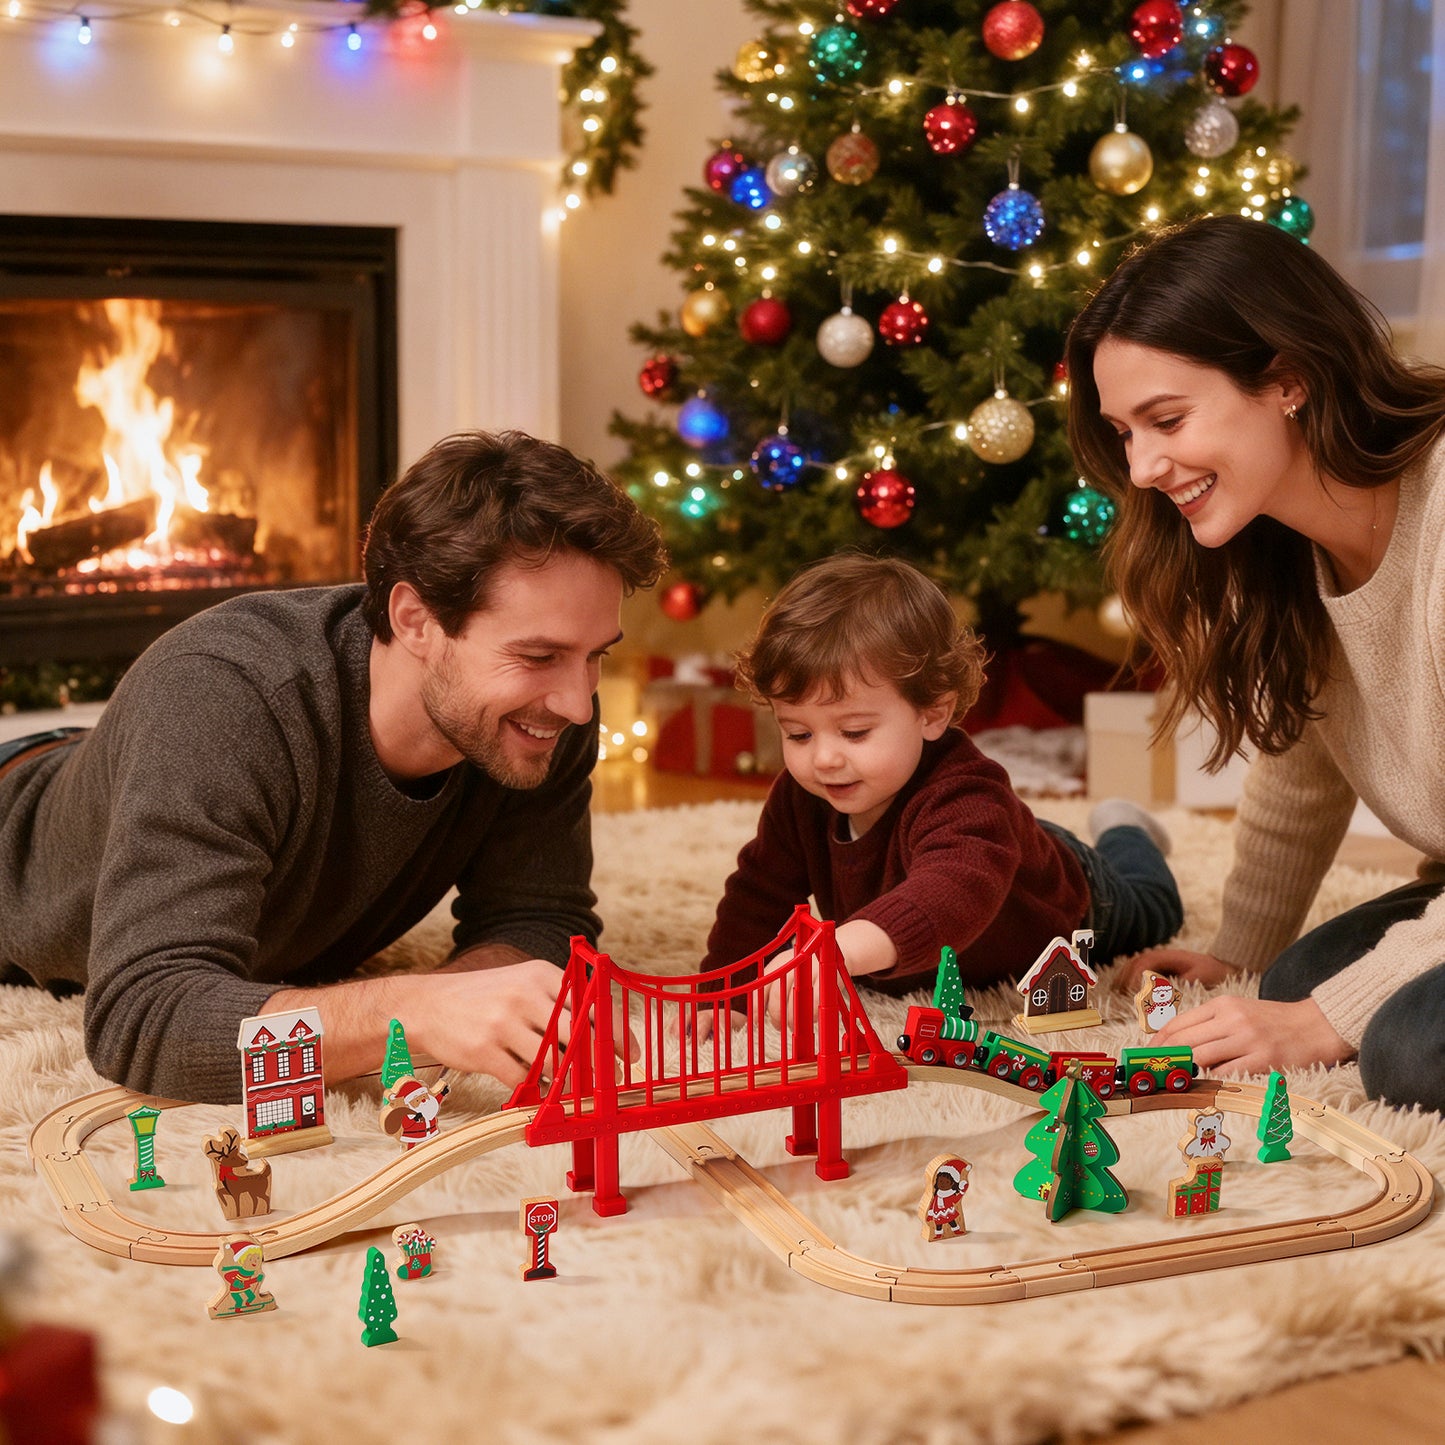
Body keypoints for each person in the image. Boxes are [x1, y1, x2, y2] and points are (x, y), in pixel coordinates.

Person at [0, 429, 666, 1103]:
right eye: (538, 656)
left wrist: (461, 999)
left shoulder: (540, 714)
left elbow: (541, 920)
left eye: (595, 655)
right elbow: (144, 1021)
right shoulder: (222, 697)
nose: (579, 704)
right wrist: (415, 1016)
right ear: (413, 618)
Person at [1065, 212, 1445, 1110]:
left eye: (1165, 419)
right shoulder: (1281, 545)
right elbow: (1301, 769)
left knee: (1405, 1049)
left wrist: (1322, 1023)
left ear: (1287, 380)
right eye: (1124, 431)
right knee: (1285, 985)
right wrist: (1242, 948)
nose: (1144, 465)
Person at [698, 554, 1182, 1004]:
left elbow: (948, 891)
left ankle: (1125, 827)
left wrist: (838, 952)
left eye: (854, 731)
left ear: (933, 713)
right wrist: (727, 992)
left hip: (1079, 900)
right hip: (1003, 844)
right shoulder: (801, 798)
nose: (823, 758)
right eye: (799, 734)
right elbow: (758, 894)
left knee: (1158, 907)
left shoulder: (967, 792)